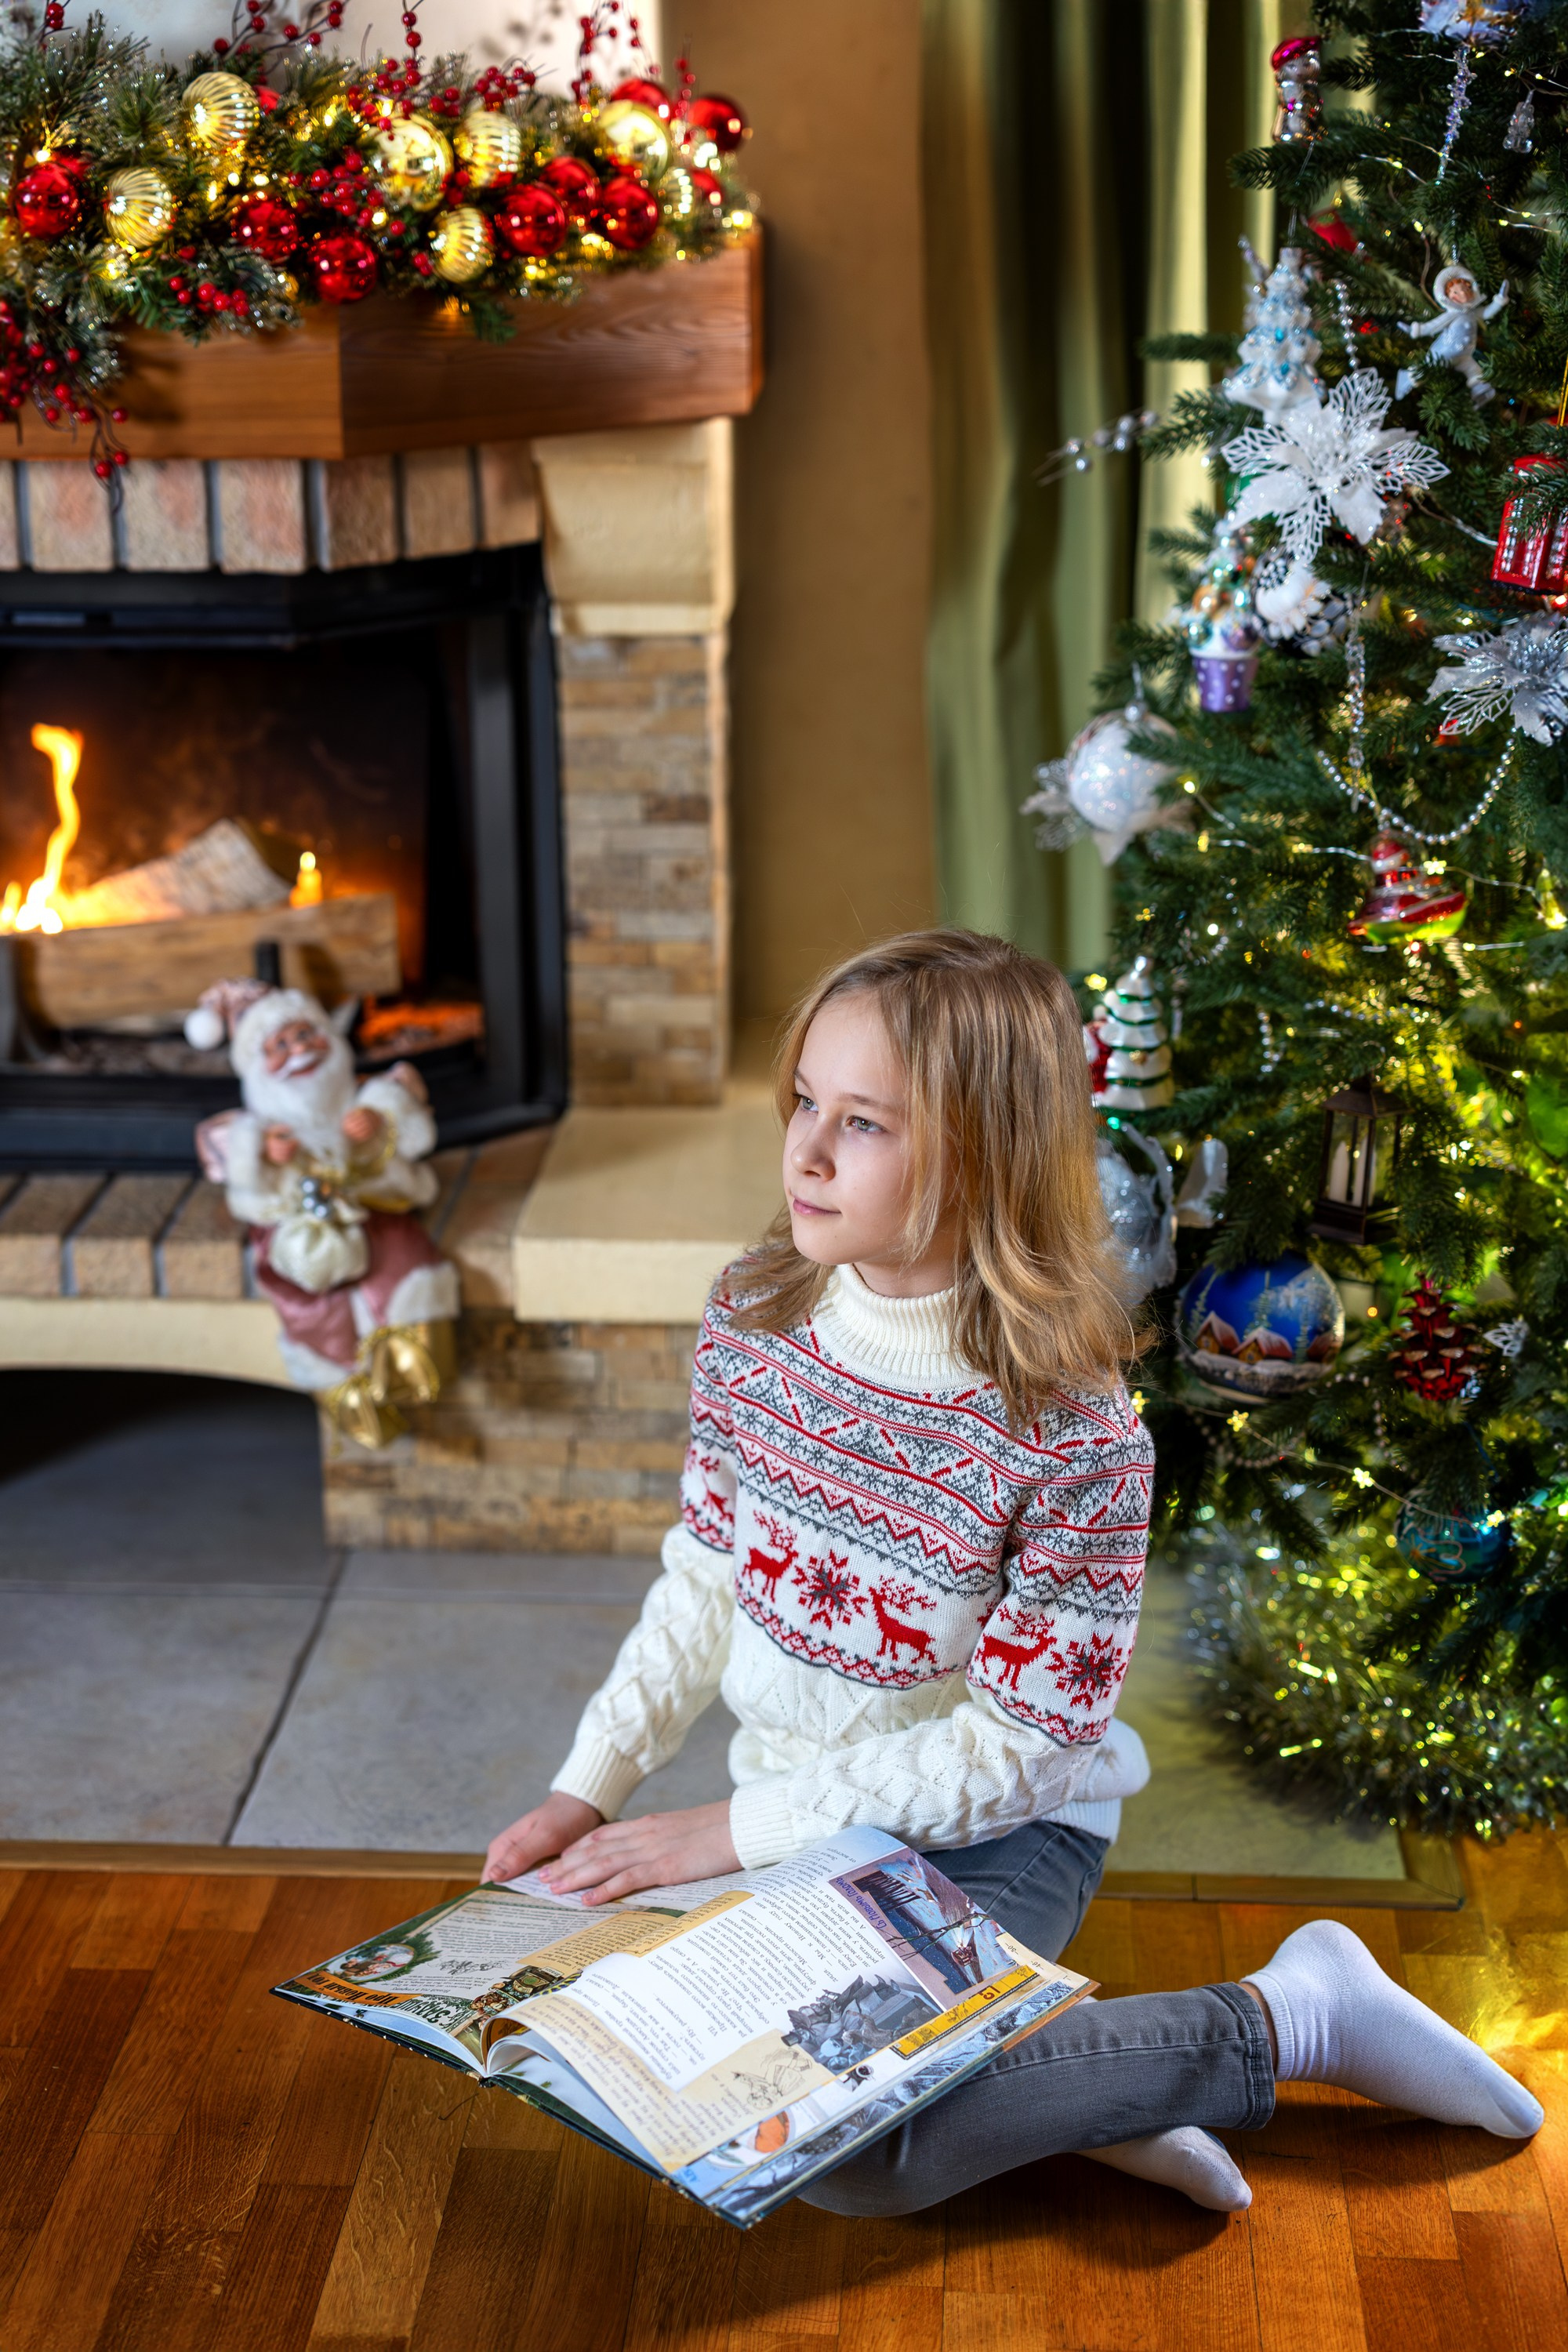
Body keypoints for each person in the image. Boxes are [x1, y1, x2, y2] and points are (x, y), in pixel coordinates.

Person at [484, 929, 1542, 2214]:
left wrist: (719, 1832)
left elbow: (1025, 1753)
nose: (805, 1152)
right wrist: (587, 1787)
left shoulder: (1071, 1431)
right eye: (805, 1102)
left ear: (984, 1154)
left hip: (997, 1839)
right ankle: (1080, 2084)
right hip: (805, 1830)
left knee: (853, 2162)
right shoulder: (757, 1315)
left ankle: (1297, 2016)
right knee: (707, 2080)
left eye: (863, 1123)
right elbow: (704, 1577)